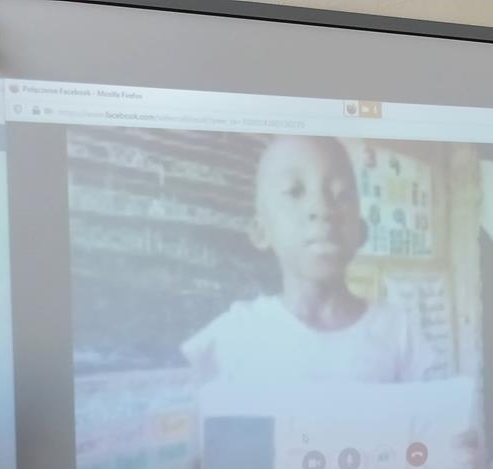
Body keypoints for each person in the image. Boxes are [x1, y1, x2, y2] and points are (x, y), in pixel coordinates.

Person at [182, 135, 436, 385]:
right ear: (261, 231)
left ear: (360, 231)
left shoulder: (399, 332)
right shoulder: (236, 334)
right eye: (295, 191)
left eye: (341, 194)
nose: (323, 209)